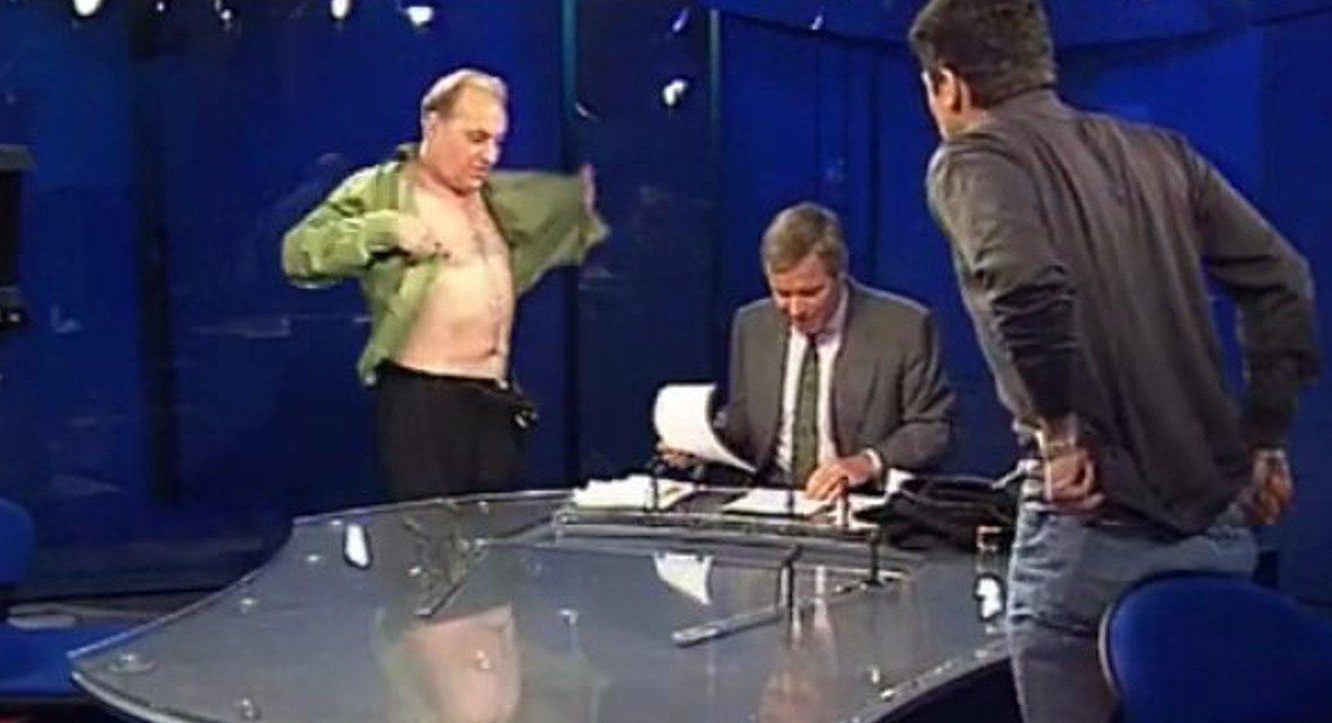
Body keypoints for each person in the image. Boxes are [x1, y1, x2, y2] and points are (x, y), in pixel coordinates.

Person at [906, 0, 1320, 723]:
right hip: (1213, 525)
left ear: (949, 85)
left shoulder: (973, 160)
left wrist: (1057, 426)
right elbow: (1283, 280)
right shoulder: (1159, 154)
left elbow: (1023, 284)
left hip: (1094, 533)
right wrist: (1265, 435)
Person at [282, 68, 608, 502]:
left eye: (497, 141)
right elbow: (298, 253)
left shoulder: (498, 198)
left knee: (499, 536)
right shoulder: (382, 189)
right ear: (432, 126)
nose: (489, 154)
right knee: (427, 536)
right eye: (476, 138)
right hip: (423, 404)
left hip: (493, 401)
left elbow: (581, 200)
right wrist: (383, 229)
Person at [663, 202, 954, 499]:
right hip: (768, 499)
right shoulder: (751, 325)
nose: (795, 310)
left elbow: (932, 428)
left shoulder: (904, 327)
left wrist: (868, 462)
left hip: (859, 501)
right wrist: (700, 443)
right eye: (782, 293)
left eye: (810, 293)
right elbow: (744, 423)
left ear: (839, 275)